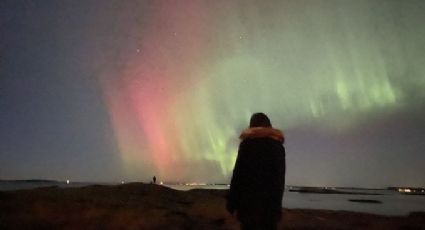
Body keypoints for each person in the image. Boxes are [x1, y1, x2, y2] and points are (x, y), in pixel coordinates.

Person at [227, 113, 286, 230]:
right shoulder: (278, 146)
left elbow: (238, 175)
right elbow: (280, 179)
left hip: (248, 204)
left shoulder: (247, 145)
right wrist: (277, 206)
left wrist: (232, 203)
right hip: (270, 206)